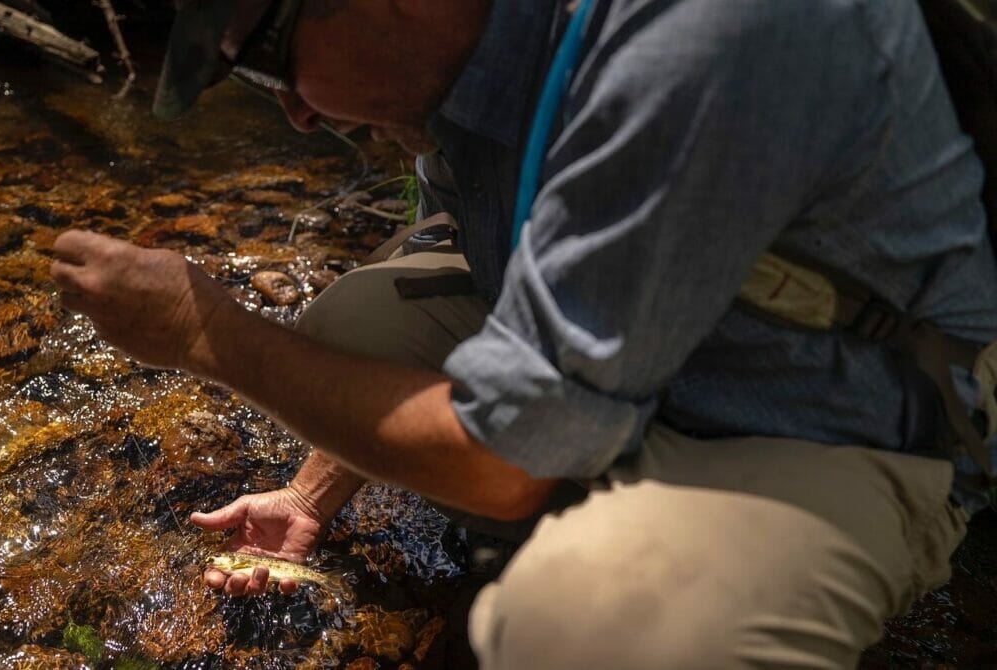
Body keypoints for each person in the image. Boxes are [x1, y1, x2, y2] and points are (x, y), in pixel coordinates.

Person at [49, 0, 997, 667]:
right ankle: (616, 519)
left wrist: (202, 328)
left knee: (572, 624)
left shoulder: (697, 31)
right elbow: (510, 311)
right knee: (350, 326)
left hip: (836, 428)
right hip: (658, 374)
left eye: (268, 56)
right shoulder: (479, 68)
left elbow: (503, 460)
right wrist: (308, 494)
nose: (293, 109)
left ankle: (683, 582)